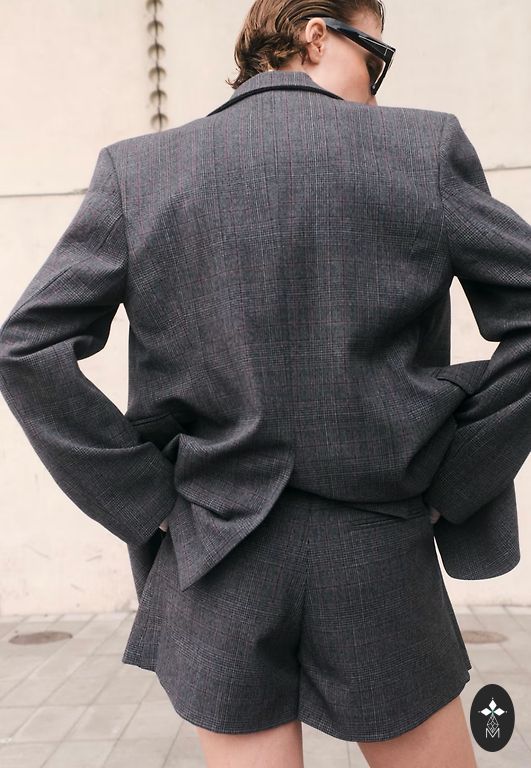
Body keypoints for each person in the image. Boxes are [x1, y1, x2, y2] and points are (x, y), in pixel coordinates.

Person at [2, 1, 529, 766]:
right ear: (316, 33)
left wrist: (148, 503)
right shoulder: (420, 149)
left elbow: (26, 349)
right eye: (375, 55)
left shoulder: (140, 172)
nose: (376, 83)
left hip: (217, 546)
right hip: (376, 544)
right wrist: (456, 479)